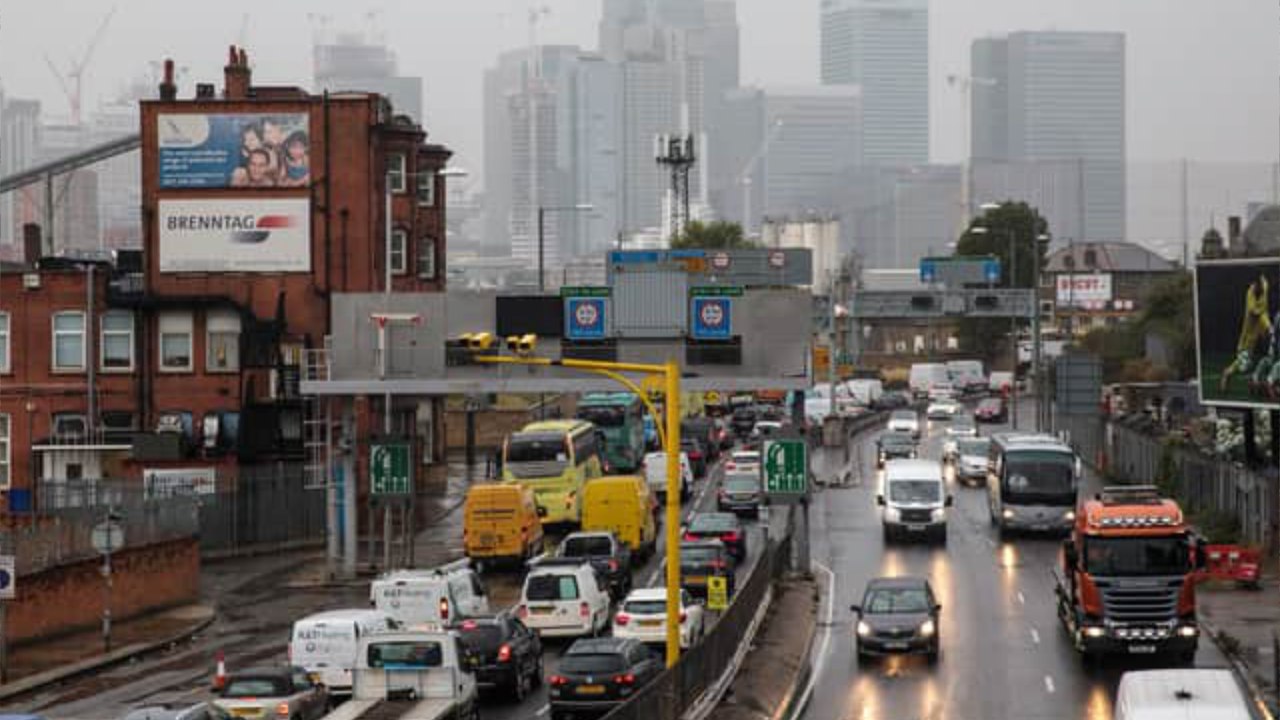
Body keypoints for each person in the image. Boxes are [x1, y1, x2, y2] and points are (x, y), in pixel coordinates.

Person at [1220, 273, 1271, 392]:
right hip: (1249, 334)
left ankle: (1264, 381)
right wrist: (1267, 324)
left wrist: (1268, 328)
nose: (1259, 287)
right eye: (1257, 285)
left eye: (1260, 284)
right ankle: (1227, 373)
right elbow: (1255, 313)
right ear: (1253, 285)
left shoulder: (1264, 285)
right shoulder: (1250, 294)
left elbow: (1263, 312)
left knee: (1271, 350)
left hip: (1262, 324)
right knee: (1245, 363)